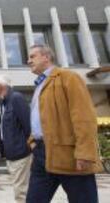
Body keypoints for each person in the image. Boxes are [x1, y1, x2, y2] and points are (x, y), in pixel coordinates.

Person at [26, 44, 103, 203]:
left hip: (70, 155)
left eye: (32, 56)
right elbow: (39, 119)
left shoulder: (68, 77)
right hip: (42, 154)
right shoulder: (40, 85)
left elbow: (84, 116)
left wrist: (85, 152)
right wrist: (33, 142)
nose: (28, 61)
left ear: (46, 57)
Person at [0, 75, 32, 203]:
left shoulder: (16, 98)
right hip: (11, 155)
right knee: (20, 189)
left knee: (21, 192)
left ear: (1, 86)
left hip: (21, 154)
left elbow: (28, 126)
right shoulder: (3, 103)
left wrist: (29, 148)